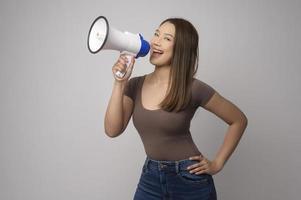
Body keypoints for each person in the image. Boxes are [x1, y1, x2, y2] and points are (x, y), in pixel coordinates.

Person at [104, 17, 248, 200]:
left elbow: (238, 120)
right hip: (151, 177)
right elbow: (112, 130)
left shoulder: (193, 88)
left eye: (167, 38)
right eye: (156, 34)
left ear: (181, 48)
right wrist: (119, 83)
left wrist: (217, 163)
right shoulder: (134, 85)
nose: (156, 41)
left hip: (189, 180)